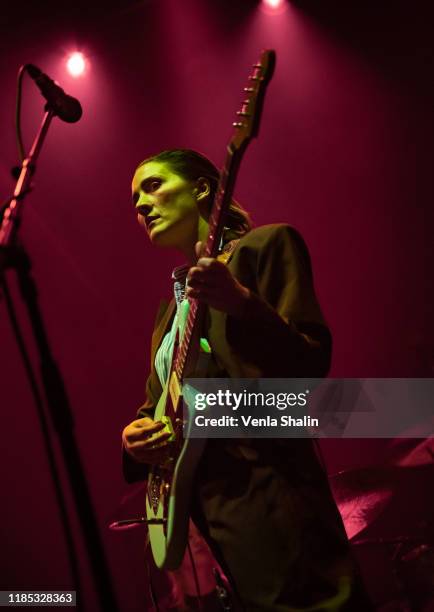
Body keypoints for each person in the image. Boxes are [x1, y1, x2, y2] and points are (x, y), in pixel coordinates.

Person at [122, 149, 372, 610]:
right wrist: (135, 439)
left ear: (201, 189)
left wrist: (241, 303)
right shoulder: (167, 317)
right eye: (134, 198)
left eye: (152, 186)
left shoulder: (267, 246)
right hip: (214, 523)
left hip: (278, 502)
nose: (139, 204)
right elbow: (159, 409)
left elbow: (311, 368)